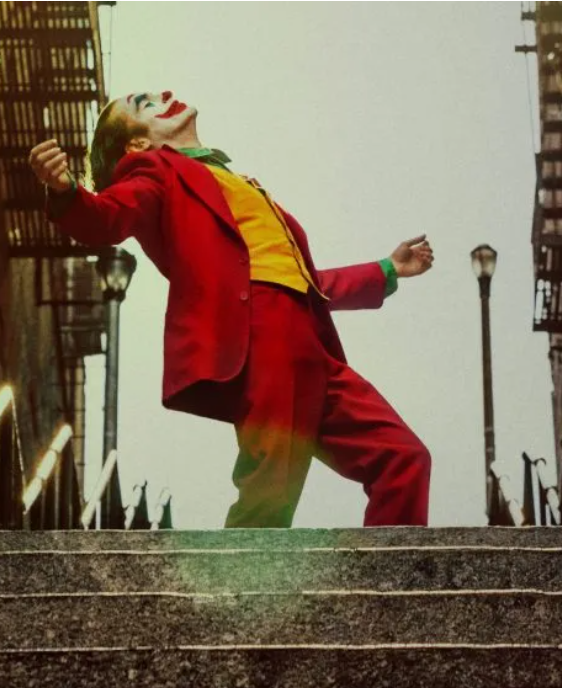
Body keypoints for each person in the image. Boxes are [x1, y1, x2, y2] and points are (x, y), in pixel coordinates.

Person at [28, 90, 434, 528]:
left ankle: (390, 572)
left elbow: (304, 282)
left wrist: (386, 270)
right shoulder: (154, 171)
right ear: (139, 144)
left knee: (403, 458)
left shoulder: (237, 182)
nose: (164, 95)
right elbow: (107, 215)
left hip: (312, 347)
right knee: (271, 488)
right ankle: (237, 574)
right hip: (261, 338)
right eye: (145, 104)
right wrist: (65, 191)